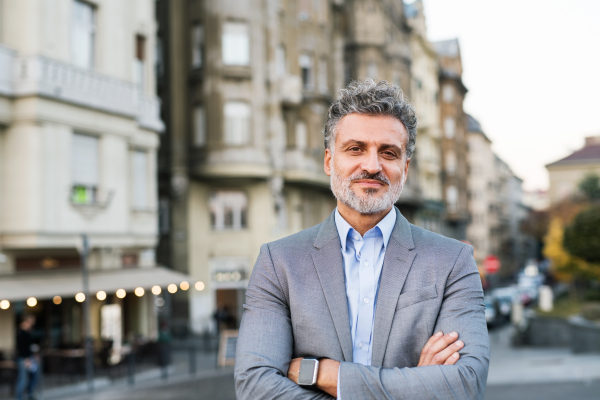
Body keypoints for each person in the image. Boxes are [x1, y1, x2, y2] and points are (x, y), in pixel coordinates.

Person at [234, 79, 489, 399]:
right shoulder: (279, 261)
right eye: (355, 149)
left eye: (388, 153)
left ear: (405, 168)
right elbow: (255, 387)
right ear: (329, 161)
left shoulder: (452, 260)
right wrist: (416, 386)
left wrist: (330, 375)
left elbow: (464, 384)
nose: (371, 165)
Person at [15, 315, 40, 400]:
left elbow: (28, 346)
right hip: (24, 358)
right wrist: (26, 358)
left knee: (33, 376)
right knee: (23, 379)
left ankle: (30, 394)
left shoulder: (28, 331)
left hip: (28, 357)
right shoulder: (22, 331)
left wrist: (33, 355)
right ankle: (19, 397)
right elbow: (21, 347)